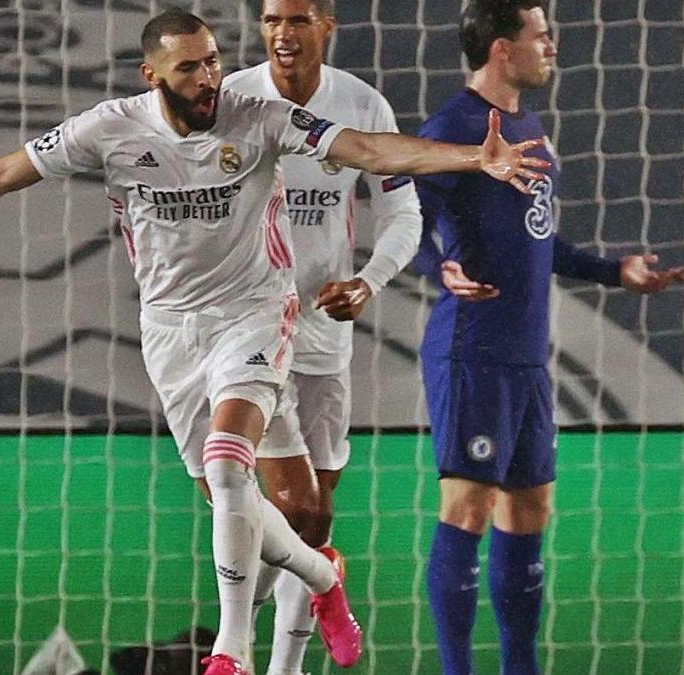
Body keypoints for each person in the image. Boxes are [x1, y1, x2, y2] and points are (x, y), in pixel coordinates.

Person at [0, 9, 548, 675]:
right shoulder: (110, 129)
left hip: (256, 313)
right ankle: (322, 577)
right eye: (191, 66)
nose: (210, 75)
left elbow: (370, 149)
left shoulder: (257, 117)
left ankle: (233, 649)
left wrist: (467, 156)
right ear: (152, 73)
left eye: (215, 59)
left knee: (229, 468)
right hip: (172, 331)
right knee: (250, 509)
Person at [411, 2, 684, 674]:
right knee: (468, 503)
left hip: (526, 356)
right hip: (471, 347)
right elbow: (403, 223)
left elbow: (537, 235)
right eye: (541, 35)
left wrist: (612, 272)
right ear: (503, 49)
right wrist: (436, 264)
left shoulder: (530, 129)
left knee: (530, 505)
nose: (551, 45)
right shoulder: (453, 128)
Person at [223, 1, 425, 672]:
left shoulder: (362, 106)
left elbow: (403, 212)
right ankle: (236, 646)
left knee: (313, 516)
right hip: (243, 329)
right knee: (248, 501)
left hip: (320, 334)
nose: (284, 32)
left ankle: (282, 665)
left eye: (300, 18)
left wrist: (367, 281)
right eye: (273, 18)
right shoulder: (230, 100)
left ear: (327, 26)